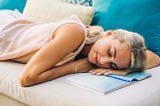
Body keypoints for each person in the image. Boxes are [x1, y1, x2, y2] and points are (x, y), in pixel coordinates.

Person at [0, 10, 159, 87]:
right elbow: (26, 79)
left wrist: (124, 70)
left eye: (111, 65)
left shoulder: (94, 44)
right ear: (109, 33)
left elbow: (155, 58)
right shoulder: (74, 33)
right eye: (110, 52)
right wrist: (76, 67)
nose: (103, 61)